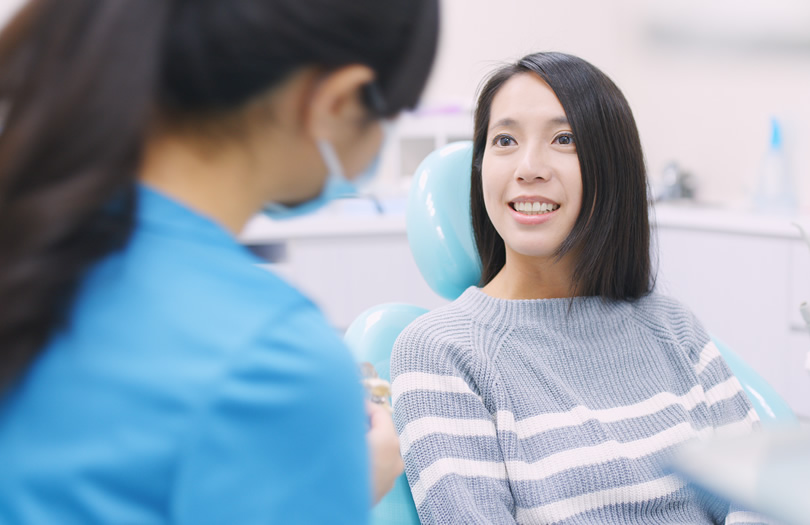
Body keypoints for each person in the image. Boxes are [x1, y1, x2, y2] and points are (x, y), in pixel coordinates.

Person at [0, 0, 437, 523]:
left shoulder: (33, 239)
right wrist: (331, 486)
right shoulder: (272, 358)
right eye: (394, 112)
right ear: (338, 102)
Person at [391, 52, 769, 524]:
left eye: (564, 139)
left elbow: (762, 495)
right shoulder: (439, 353)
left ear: (612, 167)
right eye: (504, 139)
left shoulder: (674, 328)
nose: (529, 167)